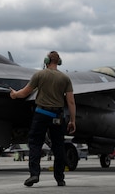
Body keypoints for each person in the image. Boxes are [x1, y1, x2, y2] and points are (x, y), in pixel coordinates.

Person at [10, 51, 76, 187]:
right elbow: (71, 102)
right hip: (57, 117)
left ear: (46, 60)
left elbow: (25, 92)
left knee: (35, 144)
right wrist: (72, 121)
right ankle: (60, 178)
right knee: (58, 146)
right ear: (59, 62)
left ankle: (34, 174)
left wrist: (15, 95)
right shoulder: (65, 78)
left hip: (41, 114)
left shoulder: (39, 75)